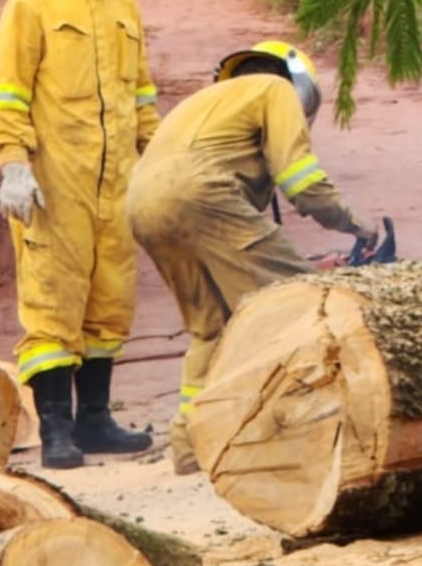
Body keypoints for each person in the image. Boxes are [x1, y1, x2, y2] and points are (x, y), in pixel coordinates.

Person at [125, 40, 380, 474]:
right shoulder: (274, 90)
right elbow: (301, 180)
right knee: (299, 304)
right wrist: (355, 224)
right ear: (298, 85)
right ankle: (323, 431)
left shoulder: (206, 102)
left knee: (211, 329)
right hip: (202, 192)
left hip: (141, 203)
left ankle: (190, 448)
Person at [0, 0, 160, 470]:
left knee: (110, 300)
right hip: (54, 187)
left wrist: (157, 160)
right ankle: (56, 428)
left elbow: (141, 95)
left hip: (116, 186)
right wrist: (14, 165)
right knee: (53, 303)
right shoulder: (32, 4)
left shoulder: (126, 9)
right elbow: (7, 93)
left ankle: (95, 420)